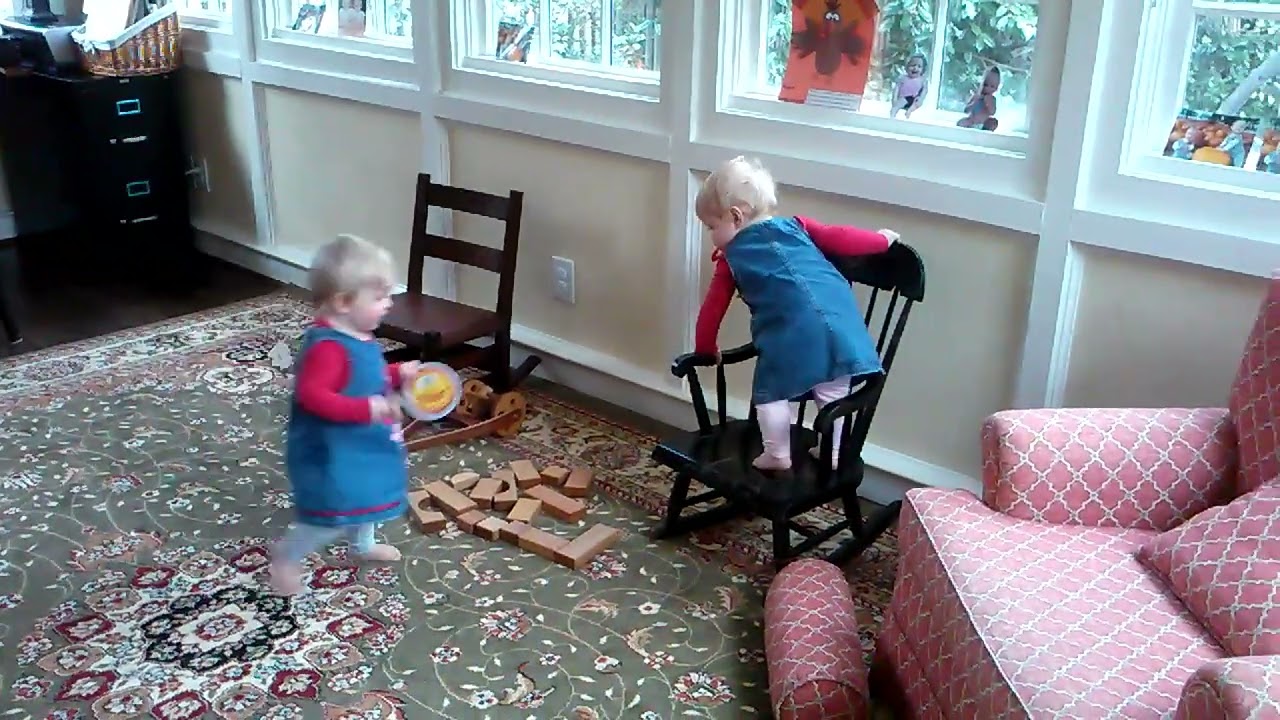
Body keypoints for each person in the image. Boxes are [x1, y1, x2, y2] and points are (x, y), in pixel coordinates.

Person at [693, 156, 897, 472]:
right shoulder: (797, 226)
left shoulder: (731, 260)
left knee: (771, 393)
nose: (711, 235)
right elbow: (843, 237)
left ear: (735, 217)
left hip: (792, 334)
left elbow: (712, 310)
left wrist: (706, 349)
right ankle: (832, 450)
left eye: (711, 226)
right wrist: (882, 240)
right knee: (833, 390)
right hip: (843, 324)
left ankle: (777, 453)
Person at [270, 234, 419, 596]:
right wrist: (368, 408)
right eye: (380, 296)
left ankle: (362, 545)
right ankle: (288, 558)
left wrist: (395, 373)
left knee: (365, 495)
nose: (389, 303)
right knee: (331, 511)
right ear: (343, 302)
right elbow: (312, 396)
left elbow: (363, 377)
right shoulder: (328, 348)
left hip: (359, 442)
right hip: (332, 449)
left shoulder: (358, 334)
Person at [956, 66, 1000, 130]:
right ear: (981, 83)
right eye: (985, 85)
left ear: (996, 88)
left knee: (993, 122)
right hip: (972, 121)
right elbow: (966, 110)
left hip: (984, 122)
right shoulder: (975, 96)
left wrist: (988, 104)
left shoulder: (992, 99)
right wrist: (974, 103)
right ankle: (971, 127)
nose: (987, 88)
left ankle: (984, 129)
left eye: (992, 86)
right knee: (961, 123)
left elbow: (992, 112)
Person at [891, 53, 929, 119]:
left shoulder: (922, 80)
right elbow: (896, 88)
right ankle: (893, 114)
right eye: (913, 65)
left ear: (923, 70)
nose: (915, 68)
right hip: (904, 98)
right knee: (898, 104)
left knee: (917, 103)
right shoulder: (903, 78)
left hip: (915, 99)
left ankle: (909, 111)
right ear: (907, 66)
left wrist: (921, 98)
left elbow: (925, 91)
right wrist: (894, 99)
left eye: (919, 66)